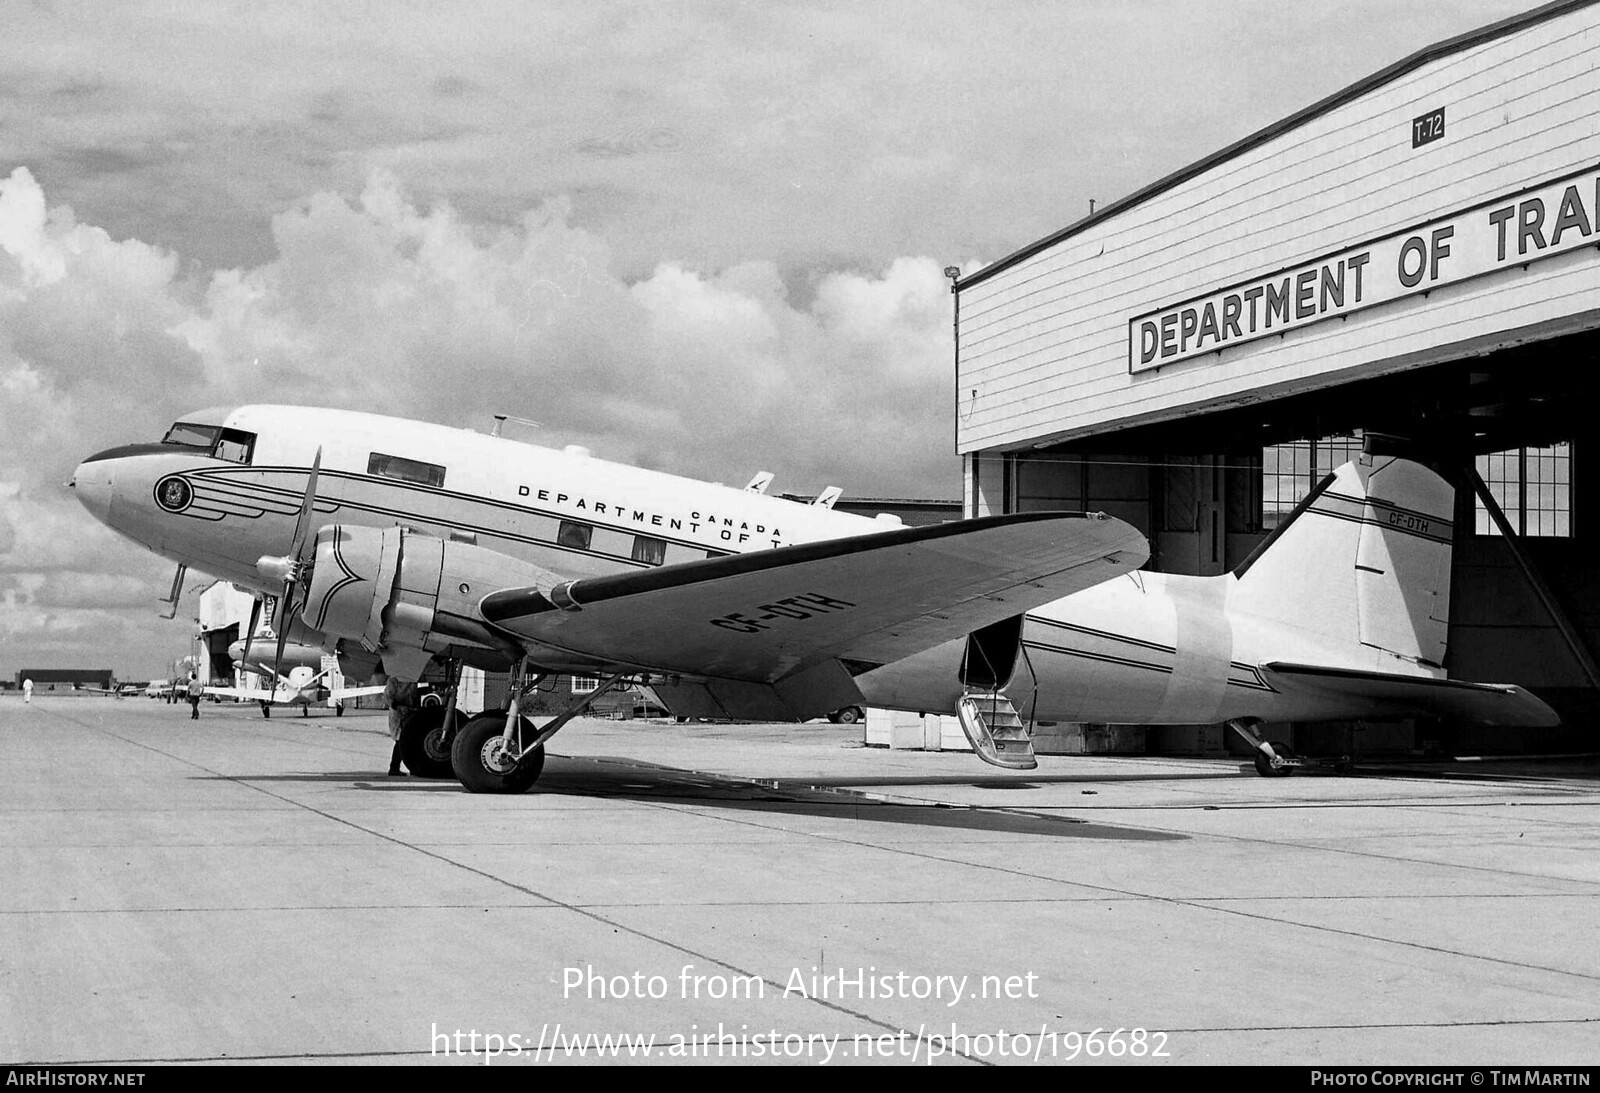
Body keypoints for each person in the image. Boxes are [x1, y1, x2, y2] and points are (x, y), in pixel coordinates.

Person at [384, 677, 417, 776]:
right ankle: (394, 768)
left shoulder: (413, 679)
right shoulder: (393, 680)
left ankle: (412, 767)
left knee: (409, 740)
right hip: (397, 713)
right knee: (400, 740)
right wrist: (397, 706)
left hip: (409, 711)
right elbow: (387, 697)